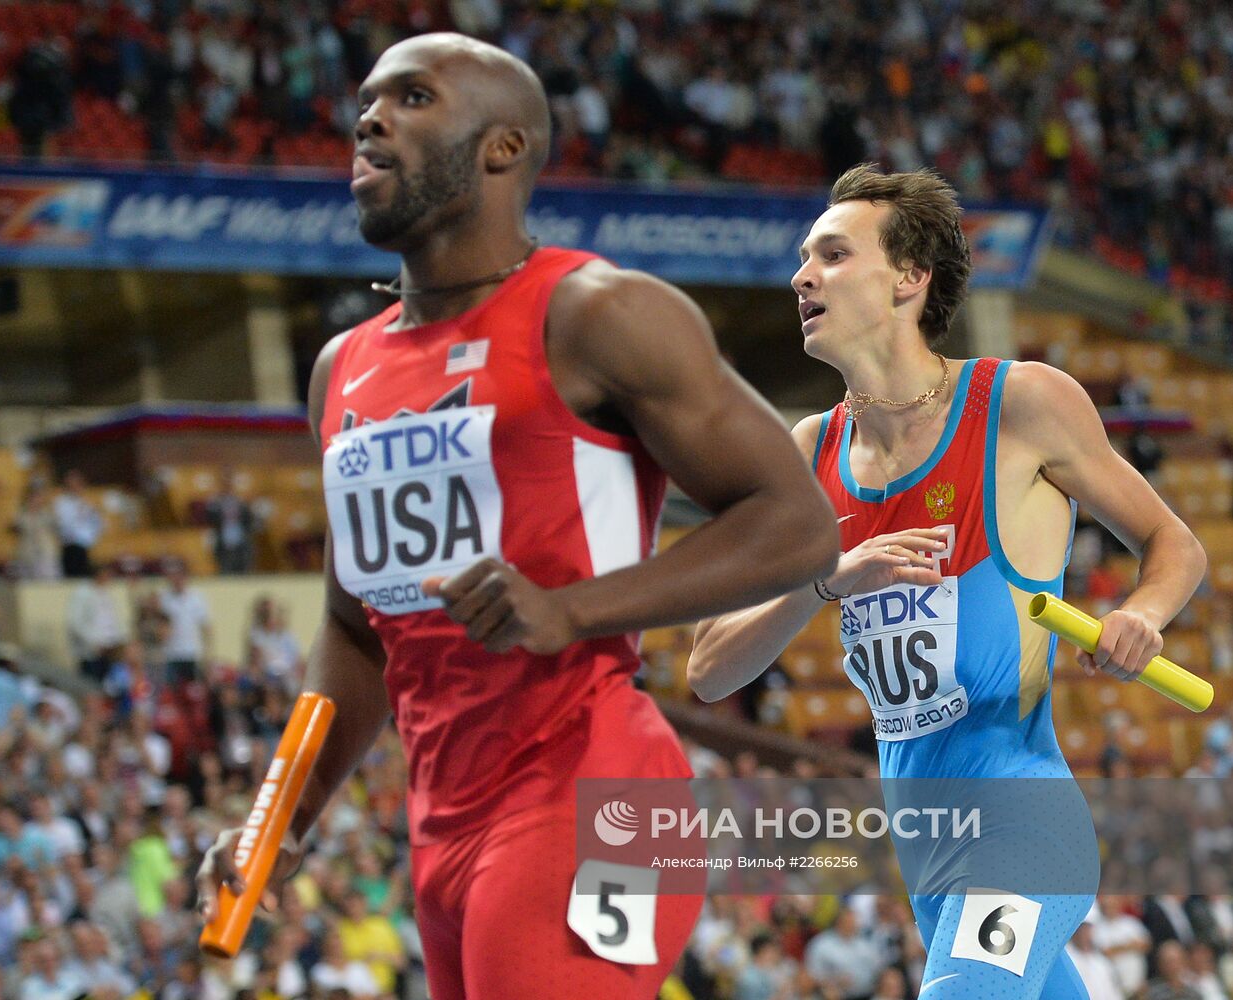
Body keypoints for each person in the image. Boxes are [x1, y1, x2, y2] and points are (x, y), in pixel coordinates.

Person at [197, 31, 840, 1000]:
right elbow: (353, 625)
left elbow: (797, 525)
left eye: (411, 98)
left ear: (502, 148)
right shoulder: (344, 368)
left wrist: (574, 607)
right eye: (366, 101)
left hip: (601, 789)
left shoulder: (598, 313)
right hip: (445, 819)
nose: (366, 119)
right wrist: (280, 814)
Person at [688, 165, 1206, 999]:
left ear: (908, 277)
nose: (799, 276)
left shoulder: (1018, 404)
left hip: (1023, 822)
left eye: (830, 254)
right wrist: (823, 583)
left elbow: (1171, 542)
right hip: (928, 851)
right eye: (803, 257)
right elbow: (709, 670)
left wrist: (1141, 614)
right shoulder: (808, 451)